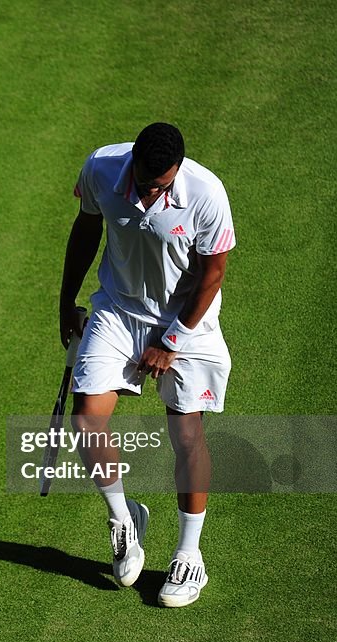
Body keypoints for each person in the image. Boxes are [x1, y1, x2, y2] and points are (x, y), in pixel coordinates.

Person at [59, 122, 235, 607]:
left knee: (187, 435)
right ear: (133, 160)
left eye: (162, 185)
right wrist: (66, 299)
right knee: (86, 419)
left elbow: (213, 273)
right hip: (118, 310)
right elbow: (86, 226)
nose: (151, 192)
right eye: (145, 181)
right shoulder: (101, 167)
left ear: (177, 171)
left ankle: (189, 554)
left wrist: (172, 339)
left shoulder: (206, 193)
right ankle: (123, 518)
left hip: (186, 319)